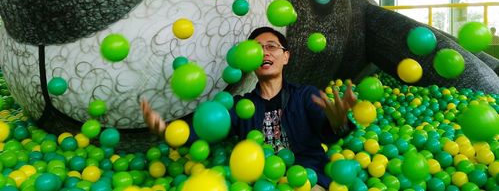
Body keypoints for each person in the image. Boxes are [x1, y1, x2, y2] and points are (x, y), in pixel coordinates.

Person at [142, 27, 357, 190]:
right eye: (257, 49)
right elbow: (205, 131)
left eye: (271, 46)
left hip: (306, 177)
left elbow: (326, 132)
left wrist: (339, 123)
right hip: (258, 182)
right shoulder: (241, 106)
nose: (264, 53)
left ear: (286, 57)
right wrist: (165, 129)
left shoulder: (305, 95)